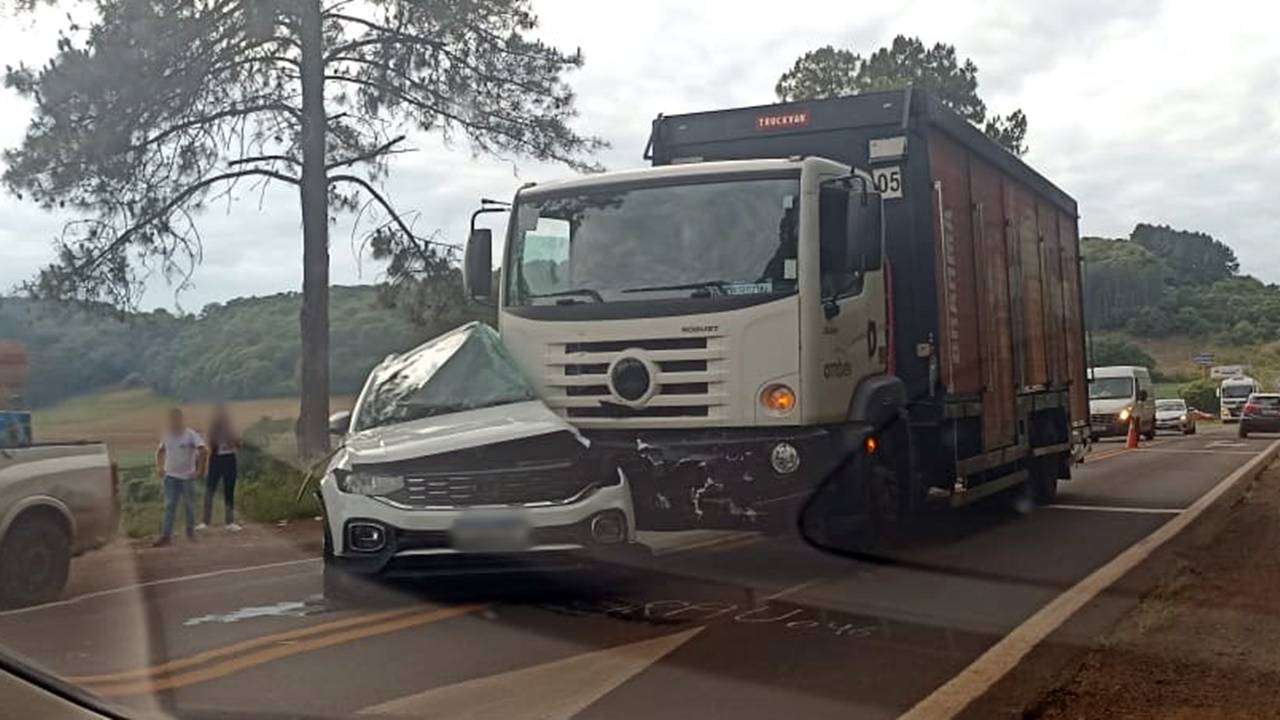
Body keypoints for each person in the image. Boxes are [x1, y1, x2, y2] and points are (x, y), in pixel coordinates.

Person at [154, 407, 207, 546]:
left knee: (189, 505)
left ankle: (190, 532)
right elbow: (160, 451)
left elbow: (203, 450)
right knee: (169, 505)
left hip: (187, 477)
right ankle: (166, 536)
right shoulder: (167, 434)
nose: (174, 422)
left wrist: (200, 470)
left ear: (181, 419)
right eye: (172, 420)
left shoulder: (190, 434)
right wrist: (159, 467)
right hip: (170, 476)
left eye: (176, 419)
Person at [200, 403, 242, 532]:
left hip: (229, 459)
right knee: (210, 490)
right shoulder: (213, 429)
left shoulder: (231, 429)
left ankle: (229, 522)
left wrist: (232, 438)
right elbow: (209, 444)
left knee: (229, 490)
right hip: (216, 459)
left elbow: (238, 444)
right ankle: (205, 522)